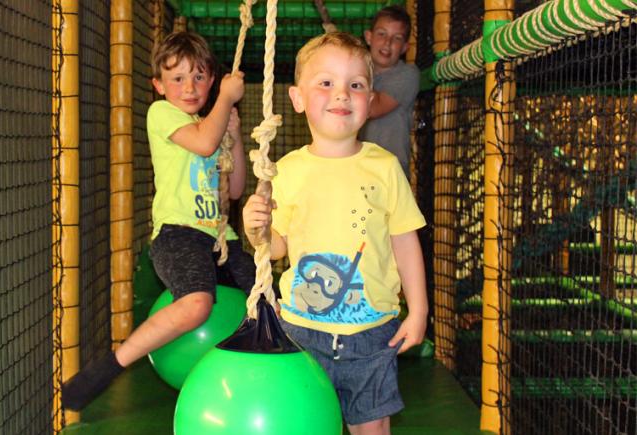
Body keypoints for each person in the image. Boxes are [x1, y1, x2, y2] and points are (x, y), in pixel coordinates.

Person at [243, 32, 427, 435]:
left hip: (372, 331)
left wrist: (419, 309)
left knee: (372, 428)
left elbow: (405, 240)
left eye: (356, 85)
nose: (341, 94)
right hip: (301, 330)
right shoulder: (286, 171)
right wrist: (256, 227)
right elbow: (276, 248)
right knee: (304, 423)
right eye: (326, 83)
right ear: (297, 99)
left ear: (370, 100)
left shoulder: (385, 167)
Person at [62, 31, 253, 411]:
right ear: (159, 85)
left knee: (267, 303)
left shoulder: (209, 123)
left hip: (220, 237)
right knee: (198, 304)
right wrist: (225, 103)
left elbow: (234, 189)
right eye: (178, 78)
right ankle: (110, 366)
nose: (189, 87)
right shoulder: (162, 114)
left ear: (211, 79)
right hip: (178, 235)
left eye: (199, 77)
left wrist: (235, 138)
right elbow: (201, 142)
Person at [358, 5, 419, 179]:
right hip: (359, 169)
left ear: (405, 47)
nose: (387, 43)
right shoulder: (360, 73)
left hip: (391, 173)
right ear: (368, 37)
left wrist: (353, 69)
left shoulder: (407, 75)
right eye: (382, 34)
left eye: (397, 38)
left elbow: (372, 107)